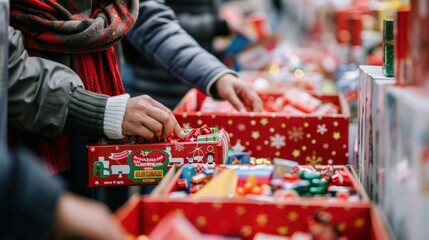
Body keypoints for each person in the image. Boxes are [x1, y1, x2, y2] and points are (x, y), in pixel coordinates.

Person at [9, 0, 262, 205]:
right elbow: (9, 69)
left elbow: (148, 15)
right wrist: (103, 111)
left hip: (109, 120)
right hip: (32, 141)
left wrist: (213, 74)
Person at [1, 2, 125, 239]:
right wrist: (102, 110)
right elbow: (8, 69)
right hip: (34, 146)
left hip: (95, 117)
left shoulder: (109, 16)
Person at [122, 0, 234, 109]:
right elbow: (152, 23)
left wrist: (216, 73)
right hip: (158, 82)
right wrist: (219, 25)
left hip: (192, 77)